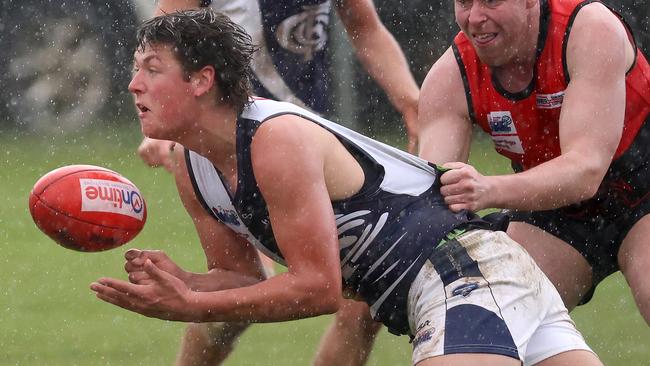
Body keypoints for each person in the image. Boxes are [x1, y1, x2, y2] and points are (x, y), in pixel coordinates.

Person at [90, 9, 603, 366]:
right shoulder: (191, 164)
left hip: (463, 273)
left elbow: (319, 289)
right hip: (468, 279)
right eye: (135, 70)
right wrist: (187, 283)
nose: (134, 84)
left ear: (202, 81)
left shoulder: (274, 139)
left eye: (152, 70)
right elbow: (240, 278)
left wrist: (190, 306)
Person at [136, 0, 421, 364]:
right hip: (221, 139)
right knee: (234, 297)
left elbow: (366, 28)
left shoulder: (288, 136)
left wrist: (410, 100)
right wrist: (165, 126)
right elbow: (160, 47)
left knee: (364, 302)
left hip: (297, 139)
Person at [417, 0, 650, 325]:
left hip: (641, 186)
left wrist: (487, 189)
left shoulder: (590, 27)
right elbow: (428, 198)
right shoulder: (450, 77)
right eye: (464, 2)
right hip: (556, 208)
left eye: (491, 1)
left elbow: (586, 171)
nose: (476, 17)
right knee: (488, 325)